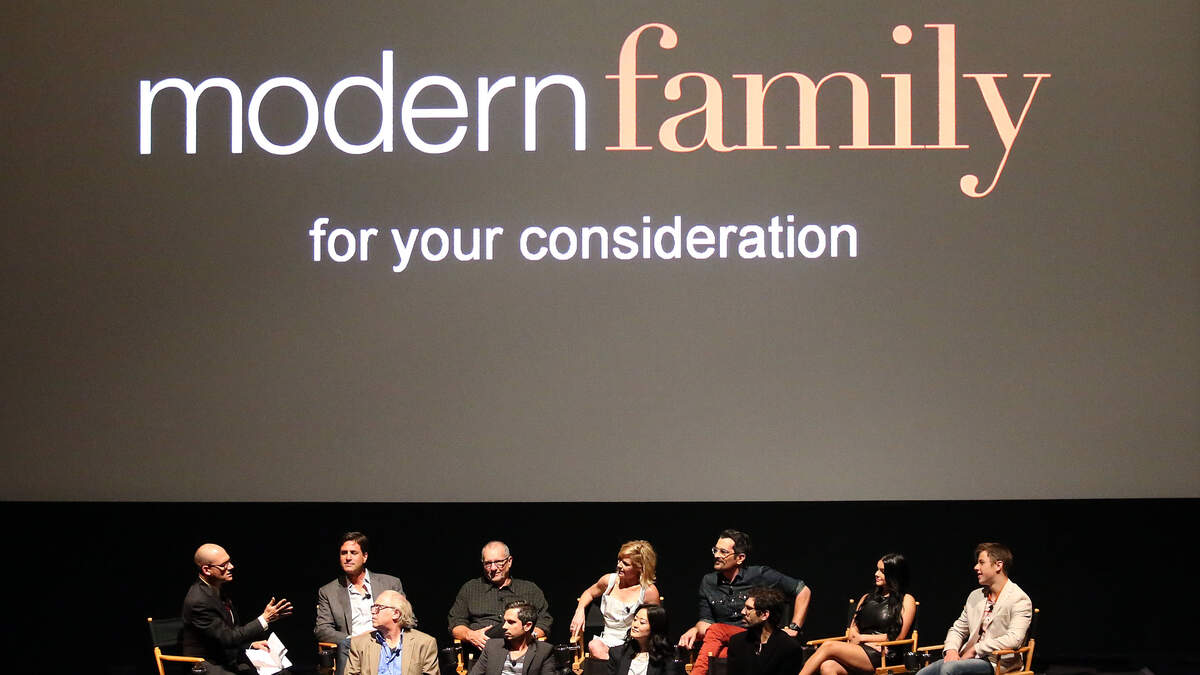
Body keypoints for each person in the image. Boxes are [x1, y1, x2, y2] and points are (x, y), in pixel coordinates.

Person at [678, 530, 811, 675]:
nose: (716, 555)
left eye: (723, 552)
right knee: (718, 655)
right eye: (715, 550)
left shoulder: (759, 575)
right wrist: (696, 629)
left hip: (755, 635)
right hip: (729, 642)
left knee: (717, 632)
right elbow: (706, 622)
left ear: (740, 558)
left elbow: (803, 590)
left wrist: (794, 627)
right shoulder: (708, 582)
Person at [916, 543, 1032, 675]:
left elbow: (1014, 639)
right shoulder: (975, 596)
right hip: (967, 659)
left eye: (981, 562)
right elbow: (958, 630)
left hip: (997, 662)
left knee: (949, 670)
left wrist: (976, 649)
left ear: (998, 565)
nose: (976, 567)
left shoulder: (1019, 598)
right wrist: (951, 650)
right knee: (923, 673)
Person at [181, 543, 293, 675]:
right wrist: (264, 619)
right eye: (224, 565)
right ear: (207, 570)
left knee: (282, 672)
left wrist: (251, 645)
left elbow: (228, 633)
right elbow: (228, 638)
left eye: (229, 561)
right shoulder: (199, 601)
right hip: (205, 664)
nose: (231, 567)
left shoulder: (217, 589)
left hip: (226, 657)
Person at [798, 553, 916, 675]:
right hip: (860, 649)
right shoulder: (866, 598)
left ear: (894, 574)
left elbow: (899, 637)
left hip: (884, 653)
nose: (876, 574)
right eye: (877, 569)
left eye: (882, 571)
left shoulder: (906, 600)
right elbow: (853, 630)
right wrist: (857, 639)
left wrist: (863, 638)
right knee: (828, 666)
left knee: (828, 646)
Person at [316, 532, 408, 675]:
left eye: (353, 553)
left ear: (364, 557)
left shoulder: (390, 584)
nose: (348, 557)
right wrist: (356, 639)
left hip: (388, 642)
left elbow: (409, 619)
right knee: (346, 646)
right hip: (353, 648)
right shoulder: (328, 591)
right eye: (343, 553)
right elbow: (322, 630)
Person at [449, 541, 553, 648]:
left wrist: (530, 636)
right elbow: (456, 623)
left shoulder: (530, 589)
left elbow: (544, 621)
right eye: (488, 563)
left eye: (498, 562)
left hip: (522, 650)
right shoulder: (470, 589)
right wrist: (470, 635)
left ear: (509, 561)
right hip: (482, 651)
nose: (493, 568)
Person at [570, 540, 661, 659]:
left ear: (640, 568)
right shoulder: (609, 581)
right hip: (607, 640)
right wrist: (580, 610)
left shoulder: (648, 591)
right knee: (594, 646)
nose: (619, 565)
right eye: (619, 560)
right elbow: (589, 593)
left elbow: (657, 624)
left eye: (625, 564)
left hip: (632, 643)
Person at [346, 590, 438, 675]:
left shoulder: (424, 643)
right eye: (373, 607)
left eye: (378, 608)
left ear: (396, 613)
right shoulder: (359, 644)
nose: (373, 612)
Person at [727, 587, 805, 675]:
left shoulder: (789, 647)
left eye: (749, 608)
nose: (742, 612)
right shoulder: (737, 642)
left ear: (764, 615)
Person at [468, 601, 557, 675]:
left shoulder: (544, 651)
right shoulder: (492, 646)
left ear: (527, 626)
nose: (504, 626)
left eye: (511, 622)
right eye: (505, 621)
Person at [608, 604, 684, 675]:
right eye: (635, 620)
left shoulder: (666, 657)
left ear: (655, 627)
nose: (635, 625)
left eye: (642, 622)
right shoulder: (617, 653)